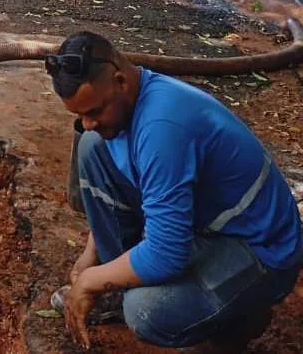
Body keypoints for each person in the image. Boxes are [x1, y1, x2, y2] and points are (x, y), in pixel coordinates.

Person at [45, 31, 303, 353]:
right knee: (92, 147)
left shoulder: (163, 128)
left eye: (95, 111)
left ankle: (240, 320)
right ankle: (117, 286)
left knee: (146, 311)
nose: (87, 122)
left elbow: (167, 255)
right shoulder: (131, 105)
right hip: (205, 222)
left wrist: (89, 281)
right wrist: (92, 256)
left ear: (121, 81)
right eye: (80, 114)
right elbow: (131, 182)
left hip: (260, 249)